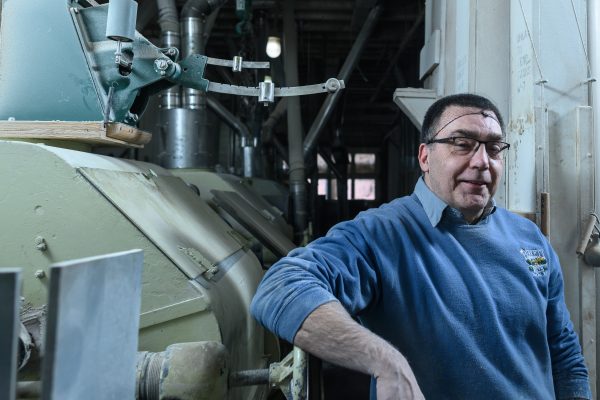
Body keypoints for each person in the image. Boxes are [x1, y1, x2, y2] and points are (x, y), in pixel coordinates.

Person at [250, 93, 591, 399]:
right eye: (462, 143)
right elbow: (282, 286)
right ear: (425, 156)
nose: (481, 161)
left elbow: (563, 354)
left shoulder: (530, 239)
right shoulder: (382, 233)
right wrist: (386, 362)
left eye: (493, 147)